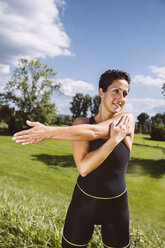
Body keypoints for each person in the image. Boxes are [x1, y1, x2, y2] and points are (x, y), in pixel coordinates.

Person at [13, 69, 135, 248]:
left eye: (125, 93)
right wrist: (112, 142)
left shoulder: (127, 120)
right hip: (83, 204)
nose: (121, 98)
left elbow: (95, 133)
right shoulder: (81, 124)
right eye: (116, 91)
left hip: (116, 207)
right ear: (101, 92)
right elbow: (84, 168)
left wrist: (48, 132)